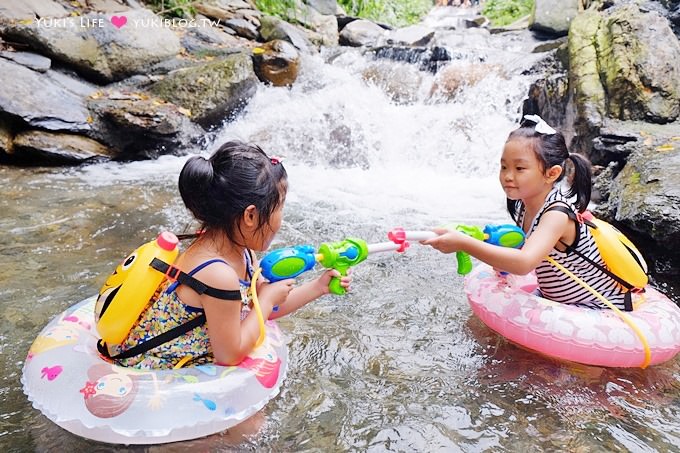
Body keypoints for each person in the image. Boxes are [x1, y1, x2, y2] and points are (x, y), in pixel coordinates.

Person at [112, 141, 351, 369]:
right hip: (153, 367)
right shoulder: (217, 273)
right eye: (279, 206)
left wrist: (320, 287)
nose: (281, 218)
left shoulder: (240, 250)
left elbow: (261, 307)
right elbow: (229, 354)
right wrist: (267, 299)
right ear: (250, 216)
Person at [422, 115, 629, 310]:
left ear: (552, 173)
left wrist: (464, 243)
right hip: (558, 300)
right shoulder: (524, 204)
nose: (507, 176)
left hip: (599, 307)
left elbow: (524, 262)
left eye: (519, 169)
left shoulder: (556, 214)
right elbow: (525, 246)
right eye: (504, 167)